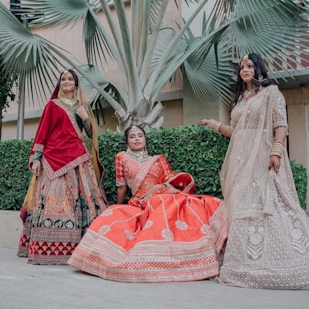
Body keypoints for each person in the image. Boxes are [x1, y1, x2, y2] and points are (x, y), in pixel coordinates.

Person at [198, 53, 309, 289]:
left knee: (270, 201)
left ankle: (284, 260)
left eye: (249, 66)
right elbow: (236, 131)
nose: (244, 69)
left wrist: (276, 152)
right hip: (241, 158)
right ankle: (240, 264)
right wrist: (213, 123)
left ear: (258, 69)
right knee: (242, 204)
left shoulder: (271, 93)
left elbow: (280, 126)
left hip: (262, 156)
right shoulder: (239, 99)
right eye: (241, 67)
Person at [68, 125, 227, 282]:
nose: (137, 139)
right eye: (132, 136)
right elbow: (121, 186)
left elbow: (169, 180)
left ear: (145, 139)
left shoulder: (159, 159)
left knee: (189, 203)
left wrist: (161, 187)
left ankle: (196, 251)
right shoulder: (121, 157)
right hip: (141, 200)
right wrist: (118, 205)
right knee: (148, 207)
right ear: (127, 141)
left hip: (163, 194)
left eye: (140, 135)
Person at [17, 69, 107, 265]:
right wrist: (37, 158)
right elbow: (43, 132)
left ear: (75, 83)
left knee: (84, 202)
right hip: (54, 159)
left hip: (79, 159)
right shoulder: (52, 106)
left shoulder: (82, 106)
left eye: (70, 79)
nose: (66, 82)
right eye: (63, 79)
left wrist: (85, 118)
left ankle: (82, 249)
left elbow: (91, 135)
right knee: (52, 202)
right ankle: (49, 249)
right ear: (59, 83)